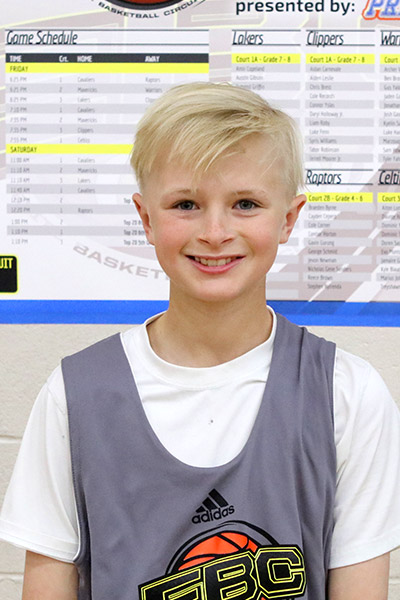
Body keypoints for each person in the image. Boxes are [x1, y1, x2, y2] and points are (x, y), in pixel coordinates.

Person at [1, 82, 400, 600]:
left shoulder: (348, 394)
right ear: (146, 218)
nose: (214, 232)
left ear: (288, 218)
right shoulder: (75, 395)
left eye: (245, 204)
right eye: (186, 204)